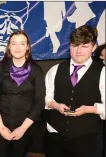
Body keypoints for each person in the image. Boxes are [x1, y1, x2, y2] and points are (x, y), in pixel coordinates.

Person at [43, 25, 105, 157]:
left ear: (94, 47)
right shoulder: (55, 70)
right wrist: (56, 106)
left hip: (87, 141)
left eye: (84, 46)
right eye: (75, 45)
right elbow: (46, 97)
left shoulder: (102, 72)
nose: (78, 51)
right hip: (55, 137)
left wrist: (89, 109)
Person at [0, 30, 45, 157]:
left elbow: (40, 102)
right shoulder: (0, 68)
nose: (18, 47)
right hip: (0, 127)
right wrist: (1, 128)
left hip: (24, 128)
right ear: (9, 47)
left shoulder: (36, 70)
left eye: (22, 43)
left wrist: (22, 128)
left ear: (28, 47)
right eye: (14, 43)